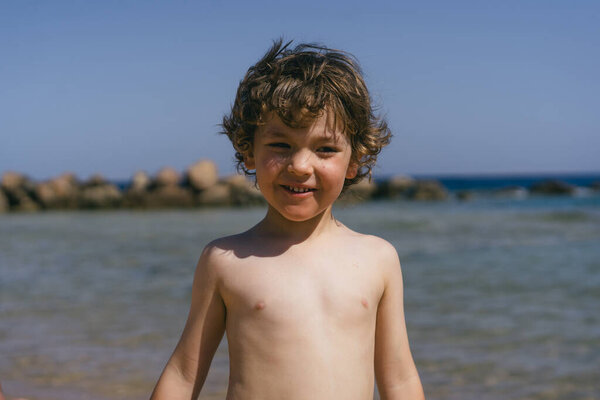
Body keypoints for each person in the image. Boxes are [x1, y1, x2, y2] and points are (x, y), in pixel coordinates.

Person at [150, 39, 425, 400]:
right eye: (280, 145)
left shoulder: (378, 258)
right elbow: (185, 375)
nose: (299, 166)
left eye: (325, 149)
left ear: (354, 160)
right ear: (249, 151)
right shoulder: (225, 260)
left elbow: (399, 380)